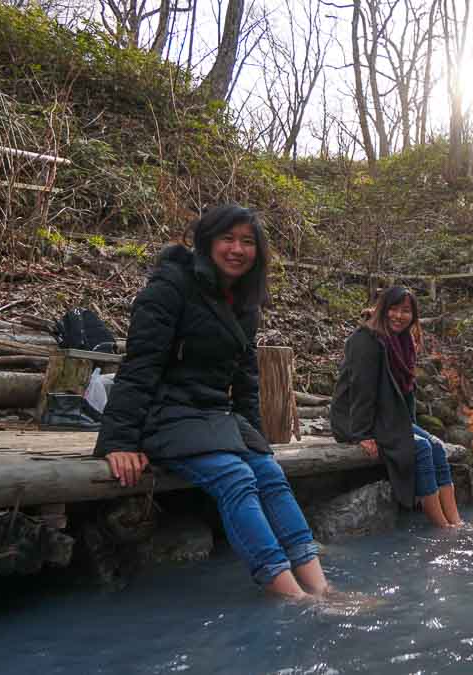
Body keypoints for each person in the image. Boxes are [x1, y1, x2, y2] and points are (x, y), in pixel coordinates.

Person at [93, 203, 329, 601]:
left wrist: (256, 439)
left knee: (269, 473)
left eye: (247, 241)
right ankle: (295, 598)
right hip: (165, 416)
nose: (237, 249)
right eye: (227, 238)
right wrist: (119, 442)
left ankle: (323, 588)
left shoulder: (244, 301)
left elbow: (245, 378)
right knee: (234, 476)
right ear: (206, 241)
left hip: (212, 417)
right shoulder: (169, 288)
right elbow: (140, 366)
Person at [330, 286, 464, 528]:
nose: (398, 316)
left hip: (389, 415)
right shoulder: (366, 339)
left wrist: (410, 424)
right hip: (355, 419)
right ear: (382, 308)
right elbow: (361, 389)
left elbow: (406, 390)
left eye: (405, 311)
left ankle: (457, 523)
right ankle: (443, 529)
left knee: (437, 447)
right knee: (420, 448)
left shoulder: (402, 340)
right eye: (393, 308)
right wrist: (361, 433)